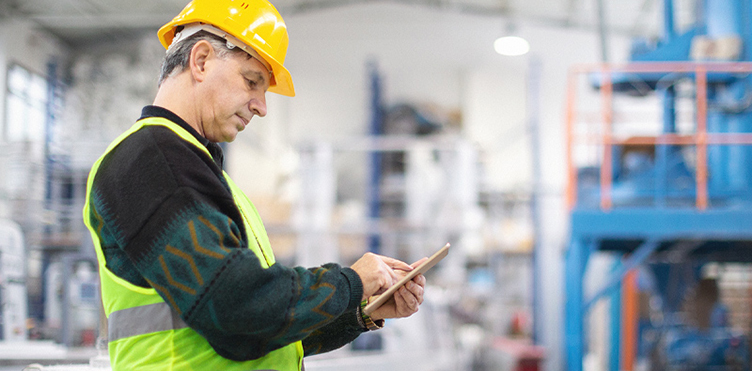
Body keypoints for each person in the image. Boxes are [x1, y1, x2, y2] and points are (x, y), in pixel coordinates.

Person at [82, 0, 427, 369]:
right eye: (251, 82)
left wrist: (358, 307)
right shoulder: (151, 161)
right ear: (200, 61)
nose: (261, 106)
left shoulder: (197, 173)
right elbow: (236, 312)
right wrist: (349, 283)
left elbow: (263, 328)